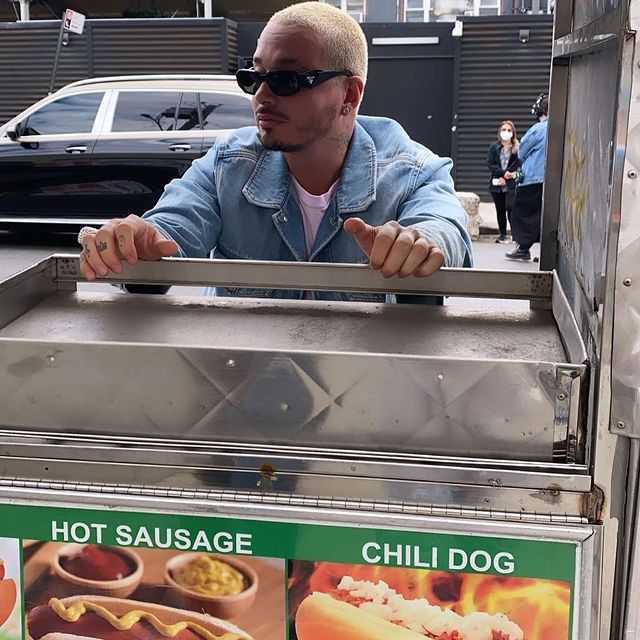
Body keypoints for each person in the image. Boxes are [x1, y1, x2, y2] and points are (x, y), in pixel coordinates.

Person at [78, 2, 472, 300]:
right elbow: (171, 227)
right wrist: (137, 241)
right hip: (239, 388)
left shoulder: (412, 171)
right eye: (253, 77)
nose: (262, 96)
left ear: (349, 94)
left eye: (286, 79)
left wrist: (418, 245)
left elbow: (446, 233)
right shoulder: (228, 165)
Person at [505, 93, 549, 261]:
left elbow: (522, 151)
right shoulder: (562, 126)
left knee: (523, 213)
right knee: (543, 216)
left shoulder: (539, 129)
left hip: (532, 178)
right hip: (552, 180)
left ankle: (523, 248)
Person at [486, 120, 520, 244]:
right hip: (497, 184)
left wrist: (507, 177)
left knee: (511, 208)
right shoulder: (494, 147)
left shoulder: (517, 147)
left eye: (509, 130)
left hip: (511, 184)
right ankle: (502, 234)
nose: (506, 132)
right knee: (500, 210)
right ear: (499, 132)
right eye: (503, 130)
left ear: (513, 132)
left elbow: (518, 164)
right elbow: (491, 164)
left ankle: (515, 235)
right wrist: (501, 174)